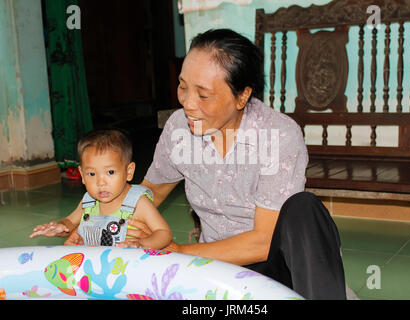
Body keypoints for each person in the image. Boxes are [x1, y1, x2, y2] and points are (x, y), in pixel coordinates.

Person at [71, 29, 347, 300]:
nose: (188, 104)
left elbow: (264, 241)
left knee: (304, 208)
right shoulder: (179, 129)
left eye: (203, 95)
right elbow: (148, 193)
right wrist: (97, 227)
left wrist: (179, 250)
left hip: (277, 268)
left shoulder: (278, 135)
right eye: (182, 86)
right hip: (214, 266)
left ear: (242, 96)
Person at [29, 129, 172, 249]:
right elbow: (70, 222)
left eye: (110, 172)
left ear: (128, 172)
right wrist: (60, 227)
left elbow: (163, 233)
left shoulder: (139, 202)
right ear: (82, 175)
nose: (100, 182)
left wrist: (142, 243)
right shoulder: (89, 202)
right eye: (91, 174)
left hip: (128, 271)